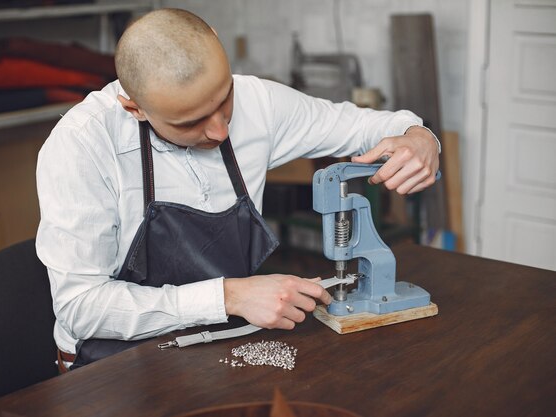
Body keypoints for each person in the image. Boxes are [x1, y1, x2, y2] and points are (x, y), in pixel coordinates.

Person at [36, 8, 440, 369]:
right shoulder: (82, 145)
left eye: (223, 98)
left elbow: (362, 125)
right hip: (114, 364)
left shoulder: (257, 101)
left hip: (218, 346)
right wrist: (228, 297)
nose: (220, 129)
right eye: (190, 122)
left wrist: (419, 136)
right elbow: (81, 308)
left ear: (217, 41)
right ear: (135, 108)